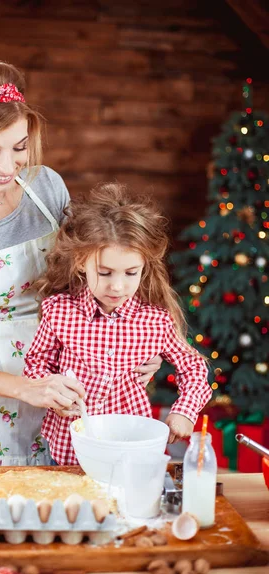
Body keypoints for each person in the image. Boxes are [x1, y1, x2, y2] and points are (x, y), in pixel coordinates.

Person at [0, 58, 162, 467]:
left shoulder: (46, 186)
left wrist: (140, 341)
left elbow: (93, 275)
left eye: (19, 147)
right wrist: (27, 388)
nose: (8, 167)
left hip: (74, 388)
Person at [24, 183, 212, 465]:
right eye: (105, 272)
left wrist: (185, 410)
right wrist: (54, 393)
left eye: (131, 272)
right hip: (67, 449)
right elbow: (36, 364)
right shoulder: (59, 311)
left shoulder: (156, 320)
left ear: (144, 267)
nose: (118, 286)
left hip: (129, 450)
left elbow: (194, 367)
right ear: (81, 263)